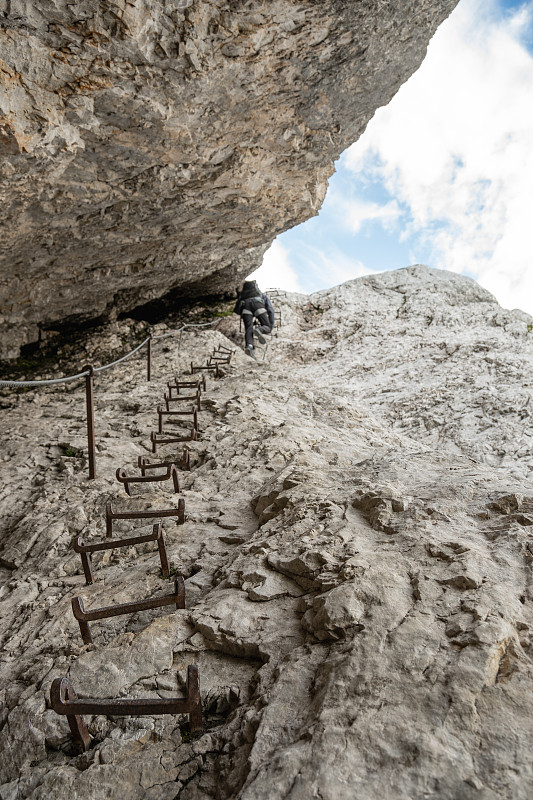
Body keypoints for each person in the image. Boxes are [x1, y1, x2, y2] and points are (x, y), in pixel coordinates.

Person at [233, 280, 275, 358]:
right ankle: (259, 330)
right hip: (258, 304)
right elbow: (270, 310)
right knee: (267, 326)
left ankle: (249, 346)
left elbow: (236, 310)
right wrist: (270, 325)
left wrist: (245, 315)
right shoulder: (262, 295)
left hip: (245, 306)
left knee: (249, 328)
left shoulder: (242, 296)